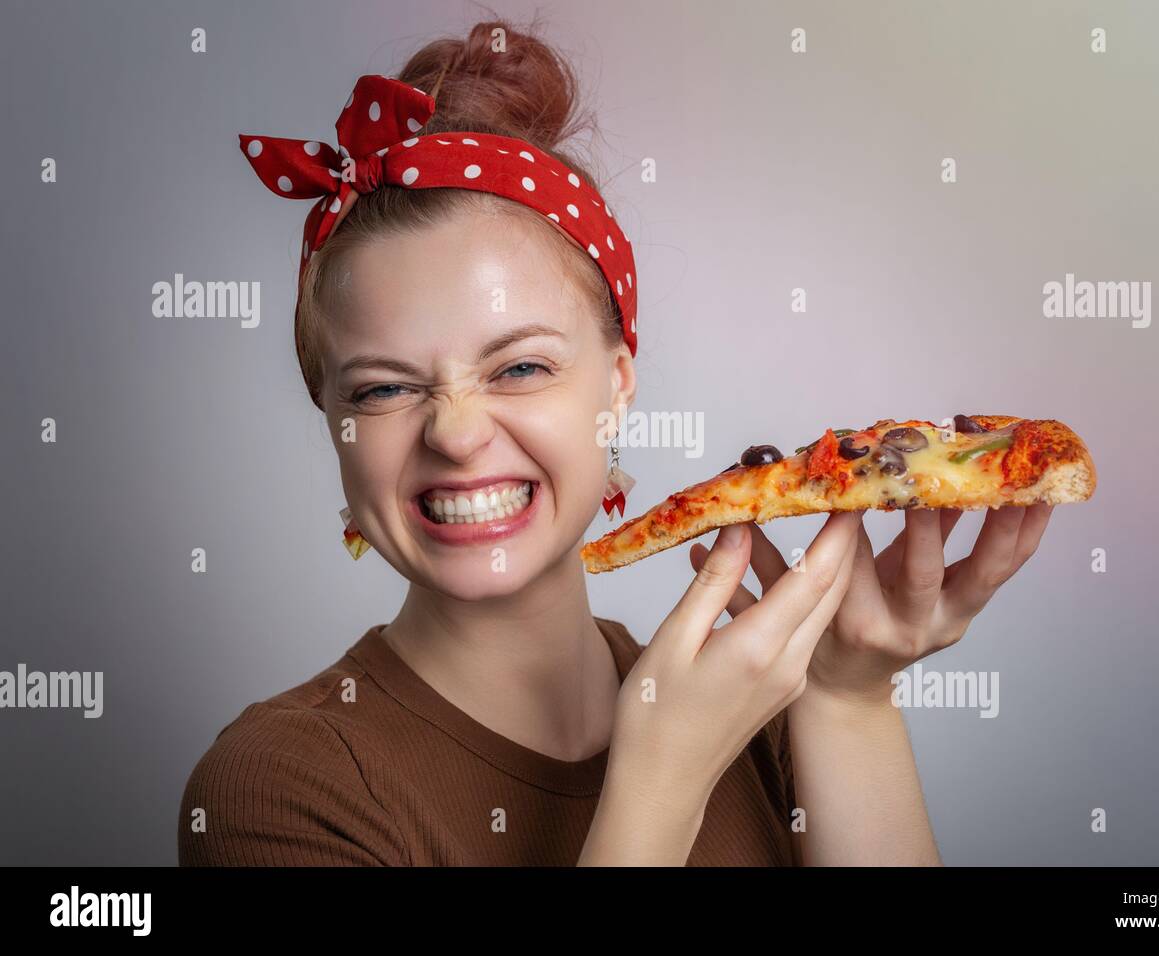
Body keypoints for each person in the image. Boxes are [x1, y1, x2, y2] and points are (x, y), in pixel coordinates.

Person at [178, 19, 1053, 867]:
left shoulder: (765, 707)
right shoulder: (278, 790)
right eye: (384, 388)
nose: (455, 432)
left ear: (619, 385)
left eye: (519, 368)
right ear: (331, 416)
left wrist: (848, 694)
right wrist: (661, 780)